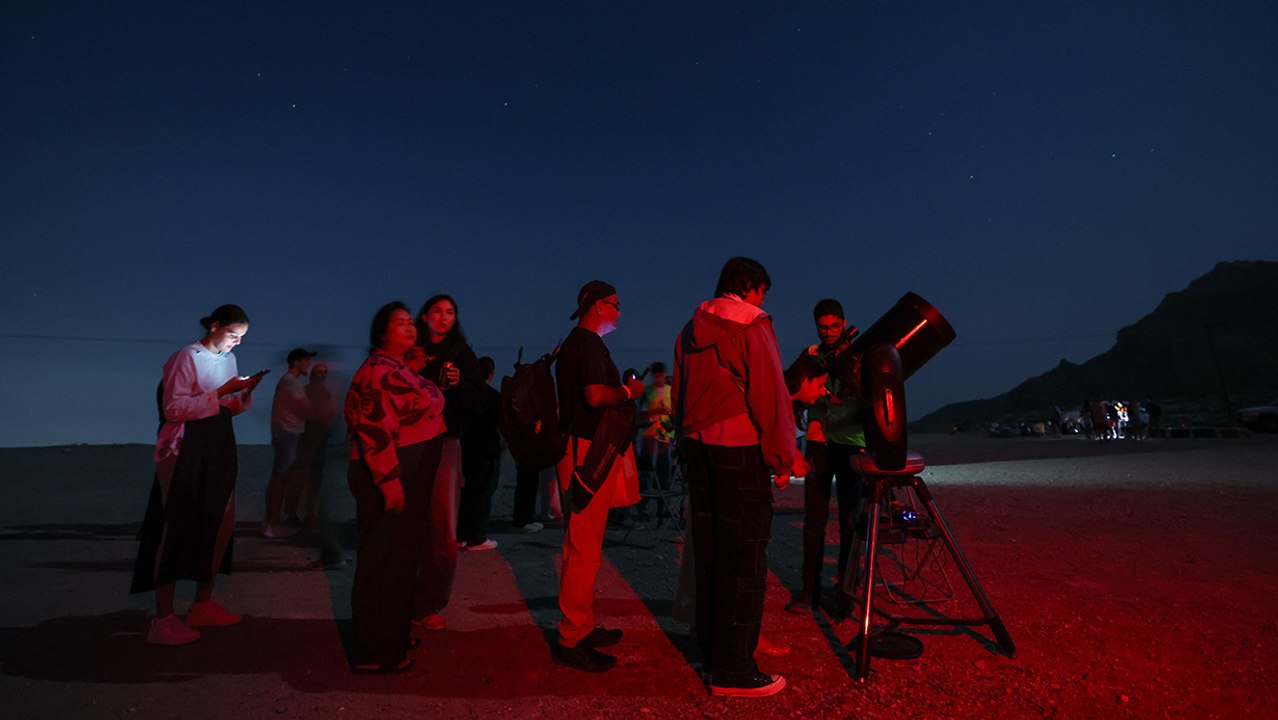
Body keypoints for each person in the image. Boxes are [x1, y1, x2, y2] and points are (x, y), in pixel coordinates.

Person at [671, 257, 795, 698]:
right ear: (748, 285)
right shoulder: (752, 324)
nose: (763, 300)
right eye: (762, 291)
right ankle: (734, 669)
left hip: (697, 448)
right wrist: (782, 457)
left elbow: (679, 393)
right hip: (739, 448)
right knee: (744, 559)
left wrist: (684, 444)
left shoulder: (690, 328)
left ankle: (711, 653)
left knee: (709, 554)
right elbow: (769, 392)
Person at [131, 304, 263, 645]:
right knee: (177, 524)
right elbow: (173, 408)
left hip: (219, 441)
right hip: (185, 444)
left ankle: (202, 604)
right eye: (233, 334)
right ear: (215, 326)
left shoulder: (229, 360)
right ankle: (163, 618)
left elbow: (225, 407)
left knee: (221, 523)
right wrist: (221, 393)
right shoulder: (186, 357)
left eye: (242, 337)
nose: (237, 342)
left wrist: (242, 394)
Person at [344, 302, 446, 673]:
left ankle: (394, 636)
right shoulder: (376, 371)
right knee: (384, 561)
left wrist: (414, 369)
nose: (409, 327)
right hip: (388, 473)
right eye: (399, 322)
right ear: (382, 332)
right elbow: (374, 429)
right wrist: (389, 482)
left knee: (401, 559)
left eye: (410, 322)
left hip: (408, 472)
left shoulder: (398, 367)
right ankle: (375, 652)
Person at [551, 280, 645, 673]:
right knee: (583, 548)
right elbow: (594, 396)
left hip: (580, 447)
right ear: (598, 306)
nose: (620, 312)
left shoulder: (578, 344)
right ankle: (571, 638)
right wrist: (628, 391)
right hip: (585, 452)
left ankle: (582, 625)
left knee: (581, 545)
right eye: (616, 305)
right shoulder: (587, 344)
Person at [786, 299, 866, 616]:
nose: (829, 332)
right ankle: (810, 591)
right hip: (819, 441)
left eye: (834, 326)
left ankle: (845, 592)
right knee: (814, 521)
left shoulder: (858, 355)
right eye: (823, 327)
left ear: (844, 323)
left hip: (851, 442)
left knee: (850, 520)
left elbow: (868, 396)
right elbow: (791, 385)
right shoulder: (811, 355)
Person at [412, 294, 486, 631]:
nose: (443, 317)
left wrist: (458, 385)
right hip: (408, 442)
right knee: (407, 523)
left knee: (442, 526)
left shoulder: (462, 354)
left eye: (450, 312)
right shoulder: (410, 348)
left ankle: (429, 602)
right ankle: (397, 598)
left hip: (444, 442)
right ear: (424, 316)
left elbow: (477, 403)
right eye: (437, 311)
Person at [262, 348, 316, 539]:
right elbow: (308, 410)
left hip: (287, 434)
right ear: (296, 362)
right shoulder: (291, 383)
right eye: (306, 361)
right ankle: (272, 524)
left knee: (281, 477)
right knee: (280, 478)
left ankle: (273, 521)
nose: (308, 365)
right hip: (287, 434)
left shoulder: (289, 382)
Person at [457, 356, 503, 551]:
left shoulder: (466, 394)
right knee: (483, 494)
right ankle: (477, 538)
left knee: (465, 494)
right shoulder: (494, 396)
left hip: (466, 449)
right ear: (491, 374)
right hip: (487, 451)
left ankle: (460, 535)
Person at [636, 361, 675, 517]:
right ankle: (643, 508)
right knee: (647, 472)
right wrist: (655, 411)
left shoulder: (670, 391)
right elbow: (641, 413)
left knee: (664, 473)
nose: (658, 379)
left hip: (666, 437)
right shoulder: (647, 391)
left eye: (661, 376)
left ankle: (662, 508)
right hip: (650, 436)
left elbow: (675, 413)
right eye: (656, 376)